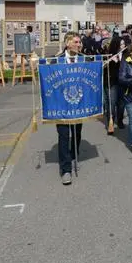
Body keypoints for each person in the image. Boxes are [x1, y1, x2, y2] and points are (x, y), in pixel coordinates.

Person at [55, 33, 84, 185]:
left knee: (77, 133)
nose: (79, 45)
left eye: (80, 42)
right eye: (76, 42)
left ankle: (73, 155)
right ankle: (66, 169)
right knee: (64, 135)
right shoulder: (56, 60)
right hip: (61, 106)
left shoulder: (85, 59)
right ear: (68, 44)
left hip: (79, 105)